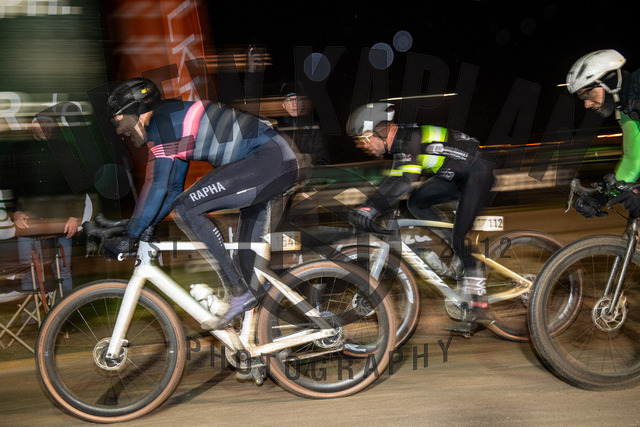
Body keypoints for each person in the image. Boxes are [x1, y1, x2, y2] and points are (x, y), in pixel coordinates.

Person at [102, 78, 299, 328]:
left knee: (187, 208)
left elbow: (159, 187)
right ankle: (269, 337)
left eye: (118, 122)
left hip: (268, 163)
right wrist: (140, 227)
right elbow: (171, 190)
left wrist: (131, 233)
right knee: (246, 266)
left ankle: (237, 292)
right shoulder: (171, 122)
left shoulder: (161, 124)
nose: (119, 131)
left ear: (137, 111)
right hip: (273, 164)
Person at [346, 103, 496, 334]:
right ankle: (457, 247)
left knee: (461, 238)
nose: (362, 146)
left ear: (381, 130)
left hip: (478, 171)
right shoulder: (400, 145)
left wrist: (370, 209)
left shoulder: (409, 138)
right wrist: (367, 207)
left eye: (364, 139)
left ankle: (480, 306)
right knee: (416, 202)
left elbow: (406, 180)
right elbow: (394, 181)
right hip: (454, 175)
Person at [1, 116, 83, 296]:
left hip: (61, 221)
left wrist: (74, 216)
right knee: (29, 273)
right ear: (31, 125)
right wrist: (15, 211)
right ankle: (35, 314)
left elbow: (79, 185)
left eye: (47, 123)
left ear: (54, 125)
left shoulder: (66, 149)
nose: (43, 127)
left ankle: (66, 311)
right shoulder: (18, 150)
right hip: (29, 223)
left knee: (63, 273)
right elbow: (7, 183)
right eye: (39, 123)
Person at [565, 49, 640, 217]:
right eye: (582, 97)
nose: (586, 104)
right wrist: (602, 197)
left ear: (609, 82)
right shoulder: (626, 110)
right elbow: (633, 160)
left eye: (588, 93)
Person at [245, 47, 331, 167]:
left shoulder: (314, 129)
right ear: (283, 104)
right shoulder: (277, 128)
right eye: (289, 100)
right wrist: (251, 72)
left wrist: (306, 164)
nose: (294, 104)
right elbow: (252, 106)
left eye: (297, 99)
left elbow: (323, 161)